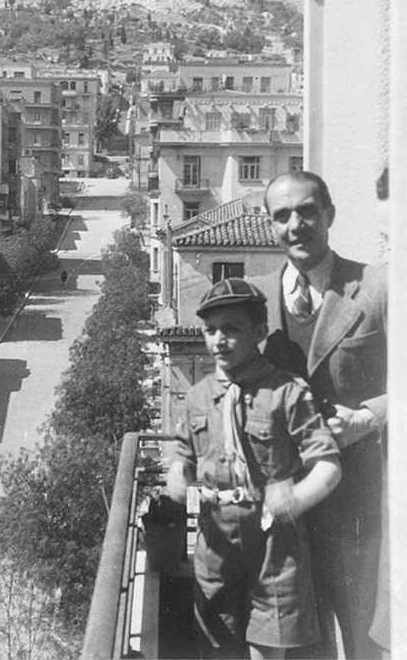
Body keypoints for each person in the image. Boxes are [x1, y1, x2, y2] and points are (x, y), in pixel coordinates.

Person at [167, 277, 341, 660]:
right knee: (218, 645)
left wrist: (295, 498)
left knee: (269, 649)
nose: (218, 341)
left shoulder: (287, 393)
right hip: (216, 544)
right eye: (210, 330)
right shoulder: (198, 397)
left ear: (260, 332)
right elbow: (182, 457)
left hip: (276, 545)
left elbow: (328, 465)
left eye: (231, 329)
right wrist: (177, 477)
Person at [253, 171, 388, 660]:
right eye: (281, 215)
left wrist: (371, 416)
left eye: (307, 211)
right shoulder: (255, 302)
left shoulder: (378, 288)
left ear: (329, 214)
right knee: (299, 649)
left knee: (363, 642)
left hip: (359, 507)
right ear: (270, 226)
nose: (296, 225)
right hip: (286, 517)